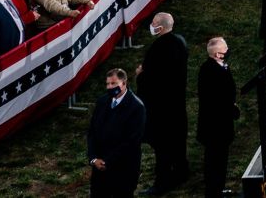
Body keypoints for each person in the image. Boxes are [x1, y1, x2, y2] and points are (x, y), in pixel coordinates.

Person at [135, 11, 189, 195]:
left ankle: (162, 182)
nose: (151, 24)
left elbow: (151, 80)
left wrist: (140, 75)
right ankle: (182, 171)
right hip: (177, 103)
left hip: (161, 108)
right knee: (178, 141)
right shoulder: (180, 43)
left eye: (154, 22)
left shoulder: (158, 49)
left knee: (163, 147)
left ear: (161, 27)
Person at [88, 67, 148, 198]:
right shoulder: (102, 102)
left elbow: (132, 142)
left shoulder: (137, 107)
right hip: (100, 169)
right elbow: (92, 132)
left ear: (124, 83)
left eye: (113, 83)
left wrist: (107, 161)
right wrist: (93, 159)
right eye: (108, 84)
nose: (110, 87)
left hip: (123, 169)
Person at [197, 36, 239, 198]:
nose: (228, 51)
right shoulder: (209, 71)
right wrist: (232, 109)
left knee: (221, 160)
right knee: (214, 161)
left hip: (220, 125)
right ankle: (213, 192)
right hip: (215, 127)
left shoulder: (219, 67)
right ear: (216, 55)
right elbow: (217, 100)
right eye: (225, 50)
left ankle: (218, 189)